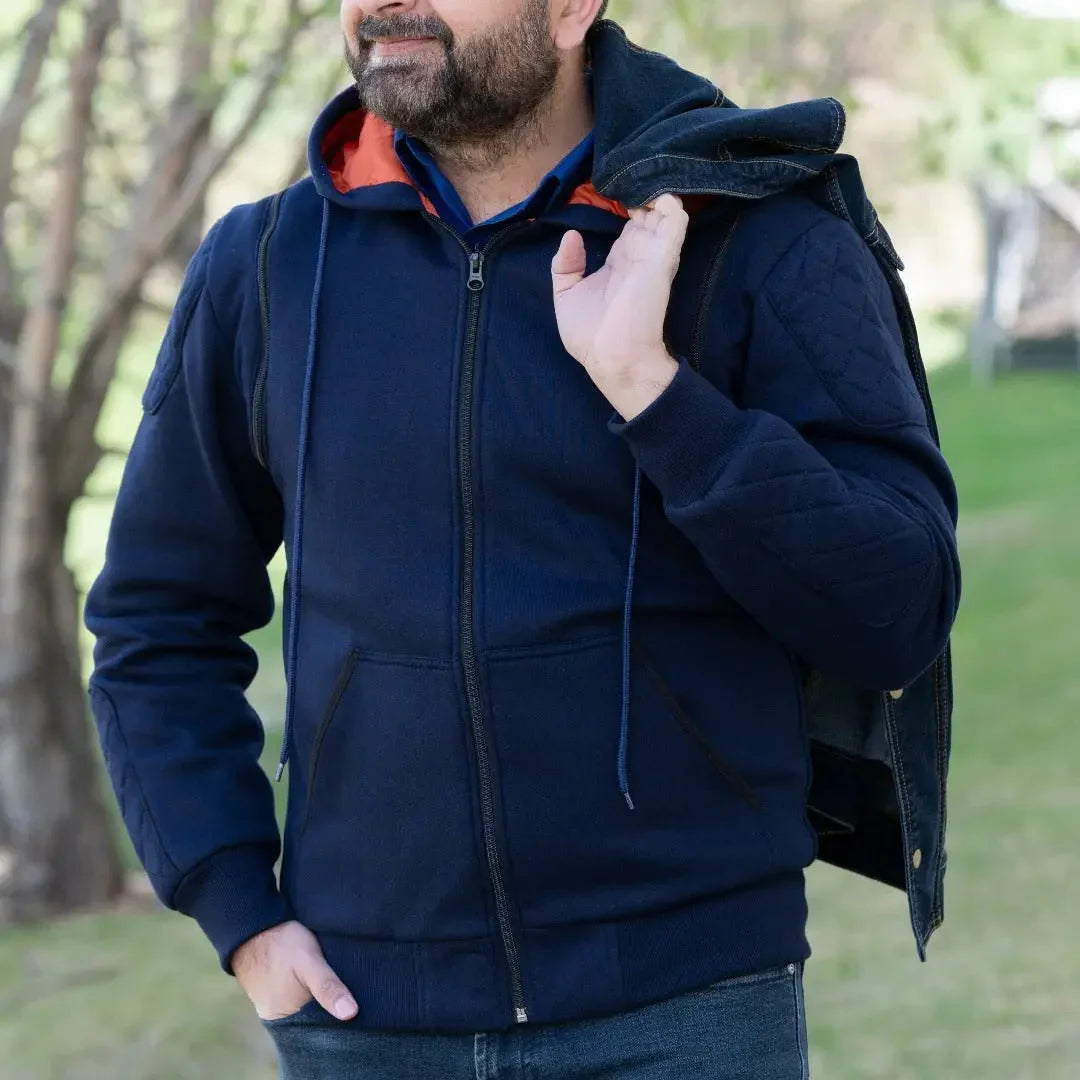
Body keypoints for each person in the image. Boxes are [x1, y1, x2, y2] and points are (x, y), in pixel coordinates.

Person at [84, 1, 961, 1077]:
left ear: (571, 8)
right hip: (365, 1021)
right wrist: (237, 909)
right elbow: (155, 619)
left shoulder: (759, 234)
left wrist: (653, 394)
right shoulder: (264, 267)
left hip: (685, 1008)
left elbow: (897, 609)